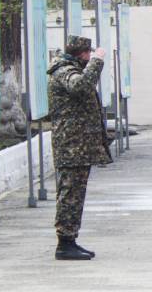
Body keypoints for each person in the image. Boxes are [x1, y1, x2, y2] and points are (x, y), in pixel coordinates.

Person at [48, 35, 111, 260]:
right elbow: (81, 87)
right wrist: (97, 62)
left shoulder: (70, 69)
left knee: (75, 194)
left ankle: (70, 240)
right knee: (70, 195)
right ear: (81, 54)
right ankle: (64, 243)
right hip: (71, 146)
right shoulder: (64, 71)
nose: (89, 57)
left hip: (78, 146)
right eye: (88, 54)